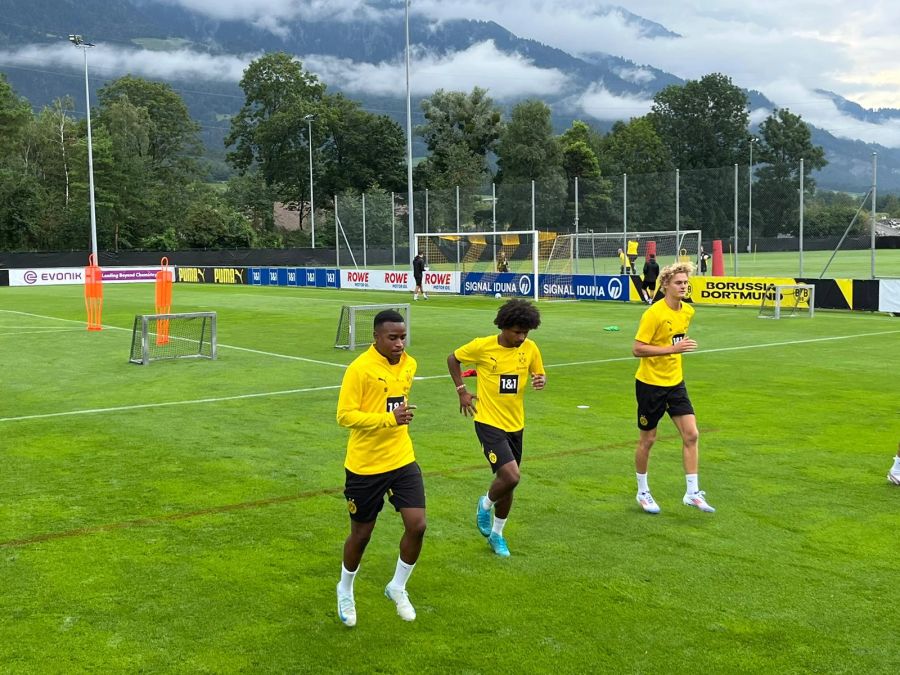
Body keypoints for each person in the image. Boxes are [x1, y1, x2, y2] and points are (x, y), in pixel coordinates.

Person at [335, 310, 425, 627]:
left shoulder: (410, 365)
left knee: (418, 525)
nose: (400, 343)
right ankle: (345, 589)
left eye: (403, 337)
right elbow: (345, 416)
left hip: (401, 458)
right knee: (361, 535)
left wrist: (396, 421)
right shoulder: (359, 369)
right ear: (376, 337)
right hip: (365, 466)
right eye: (393, 337)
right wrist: (389, 419)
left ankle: (397, 587)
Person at [447, 299, 546, 557]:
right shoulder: (482, 346)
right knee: (511, 476)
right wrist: (462, 391)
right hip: (488, 421)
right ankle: (485, 503)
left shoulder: (531, 348)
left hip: (516, 424)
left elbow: (538, 373)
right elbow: (453, 358)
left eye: (525, 332)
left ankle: (497, 535)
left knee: (508, 484)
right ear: (503, 327)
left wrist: (540, 379)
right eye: (517, 332)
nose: (521, 337)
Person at [631, 261, 715, 515]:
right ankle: (642, 492)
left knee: (691, 434)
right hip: (650, 385)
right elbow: (637, 348)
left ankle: (692, 493)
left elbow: (676, 341)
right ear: (665, 284)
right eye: (678, 283)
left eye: (686, 282)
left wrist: (675, 350)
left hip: (675, 383)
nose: (683, 286)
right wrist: (672, 349)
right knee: (648, 440)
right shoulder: (653, 314)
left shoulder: (687, 312)